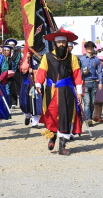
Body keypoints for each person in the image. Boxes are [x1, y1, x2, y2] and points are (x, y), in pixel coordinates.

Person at [34, 28, 84, 156]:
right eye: (59, 42)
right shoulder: (47, 57)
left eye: (63, 42)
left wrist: (79, 92)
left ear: (67, 43)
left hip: (67, 92)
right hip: (51, 91)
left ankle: (62, 146)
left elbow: (77, 75)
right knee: (51, 114)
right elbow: (41, 71)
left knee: (65, 115)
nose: (61, 44)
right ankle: (52, 137)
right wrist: (38, 83)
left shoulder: (72, 58)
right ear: (55, 43)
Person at [80, 40, 103, 125]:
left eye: (92, 47)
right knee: (87, 102)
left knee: (93, 102)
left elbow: (100, 72)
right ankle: (88, 119)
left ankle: (89, 116)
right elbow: (77, 72)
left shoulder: (96, 60)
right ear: (85, 48)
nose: (90, 49)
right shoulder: (81, 59)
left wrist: (100, 82)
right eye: (88, 47)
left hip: (94, 82)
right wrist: (83, 73)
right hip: (85, 82)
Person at [4, 39, 22, 109]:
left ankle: (14, 102)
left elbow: (16, 62)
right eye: (10, 45)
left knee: (13, 87)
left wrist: (12, 71)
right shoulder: (3, 55)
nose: (11, 46)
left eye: (12, 45)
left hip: (14, 73)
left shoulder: (17, 53)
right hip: (5, 74)